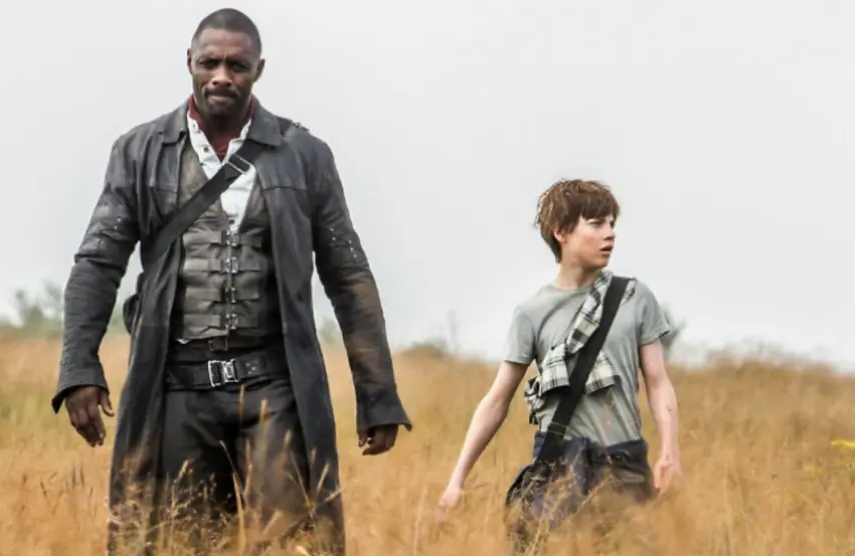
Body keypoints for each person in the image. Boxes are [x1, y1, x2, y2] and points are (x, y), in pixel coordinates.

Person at [51, 8, 412, 555]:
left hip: (275, 388)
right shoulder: (139, 150)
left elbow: (348, 276)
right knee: (178, 543)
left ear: (258, 70)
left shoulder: (305, 156)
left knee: (291, 544)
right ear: (189, 63)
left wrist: (378, 394)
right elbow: (98, 263)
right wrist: (78, 366)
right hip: (176, 389)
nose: (222, 75)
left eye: (237, 66)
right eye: (210, 63)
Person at [436, 179, 681, 548]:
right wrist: (457, 480)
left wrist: (669, 451)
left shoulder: (634, 298)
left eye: (612, 223)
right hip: (558, 469)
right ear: (561, 232)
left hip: (623, 466)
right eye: (596, 224)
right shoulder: (532, 313)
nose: (610, 233)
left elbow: (658, 382)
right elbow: (497, 400)